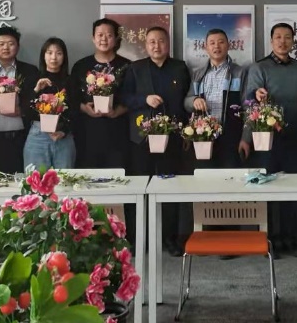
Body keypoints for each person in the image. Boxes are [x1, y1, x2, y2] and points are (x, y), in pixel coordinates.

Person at [122, 26, 191, 256]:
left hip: (172, 139)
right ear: (146, 45)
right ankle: (139, 238)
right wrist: (145, 99)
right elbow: (124, 98)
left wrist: (185, 132)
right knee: (140, 188)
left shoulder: (179, 68)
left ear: (168, 43)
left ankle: (169, 238)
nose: (156, 46)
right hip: (141, 140)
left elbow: (186, 101)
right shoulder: (135, 68)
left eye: (161, 41)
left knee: (169, 188)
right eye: (152, 41)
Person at [243, 23, 297, 257]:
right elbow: (248, 102)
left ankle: (292, 239)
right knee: (268, 188)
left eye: (287, 37)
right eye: (278, 37)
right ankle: (269, 240)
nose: (282, 41)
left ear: (293, 41)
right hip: (266, 137)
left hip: (294, 136)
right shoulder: (259, 67)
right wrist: (246, 138)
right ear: (271, 41)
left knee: (292, 189)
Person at [0, 26, 40, 174]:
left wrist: (22, 110)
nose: (6, 48)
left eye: (11, 43)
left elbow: (36, 101)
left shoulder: (30, 71)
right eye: (1, 44)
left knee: (23, 179)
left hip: (23, 139)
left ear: (18, 47)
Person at [70, 18, 131, 169]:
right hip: (88, 133)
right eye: (100, 35)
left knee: (118, 175)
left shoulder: (128, 66)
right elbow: (72, 97)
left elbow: (133, 96)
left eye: (109, 35)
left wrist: (118, 111)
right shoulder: (80, 66)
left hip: (118, 132)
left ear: (116, 39)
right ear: (93, 38)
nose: (104, 39)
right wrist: (85, 108)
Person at [184, 28, 246, 169]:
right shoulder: (198, 74)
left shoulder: (240, 72)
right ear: (206, 47)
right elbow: (186, 102)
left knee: (230, 177)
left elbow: (247, 105)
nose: (216, 46)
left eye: (221, 42)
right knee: (204, 176)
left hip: (231, 137)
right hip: (204, 137)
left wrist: (245, 138)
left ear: (228, 45)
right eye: (212, 43)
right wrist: (194, 100)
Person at [23, 38, 77, 171]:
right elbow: (25, 110)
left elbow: (76, 111)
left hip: (63, 135)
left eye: (58, 53)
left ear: (64, 56)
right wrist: (36, 90)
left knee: (65, 179)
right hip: (38, 135)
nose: (53, 57)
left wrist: (64, 131)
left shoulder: (71, 81)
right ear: (43, 55)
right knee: (35, 179)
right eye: (49, 53)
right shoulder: (33, 78)